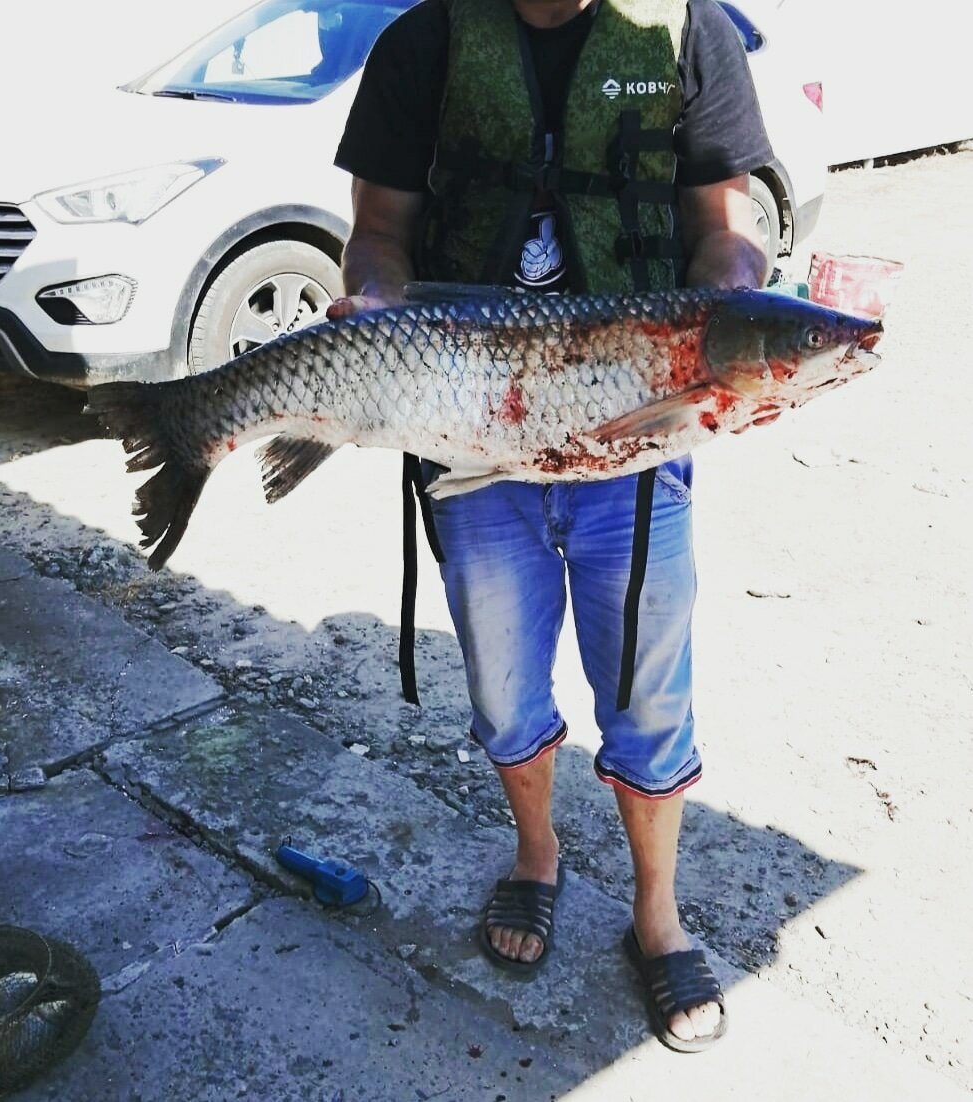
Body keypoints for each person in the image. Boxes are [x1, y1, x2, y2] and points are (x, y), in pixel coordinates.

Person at [330, 0, 772, 1052]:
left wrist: (731, 312)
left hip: (637, 436)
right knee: (501, 690)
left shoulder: (688, 32)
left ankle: (656, 914)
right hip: (470, 434)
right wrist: (375, 306)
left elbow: (723, 228)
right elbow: (378, 234)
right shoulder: (421, 42)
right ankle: (538, 856)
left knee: (650, 699)